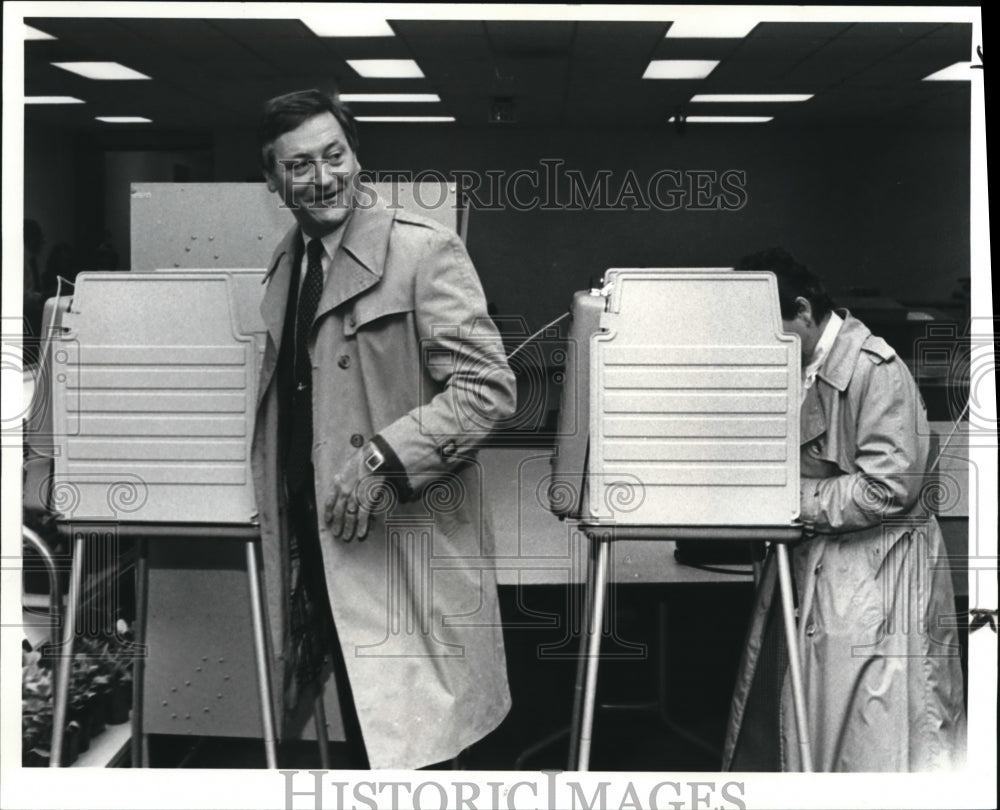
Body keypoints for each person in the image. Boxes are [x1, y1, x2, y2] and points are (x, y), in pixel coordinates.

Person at [250, 89, 516, 769]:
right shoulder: (286, 266)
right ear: (274, 179)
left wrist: (382, 459)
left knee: (422, 745)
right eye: (300, 166)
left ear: (356, 154)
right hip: (325, 542)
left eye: (334, 155)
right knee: (364, 737)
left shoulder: (424, 251)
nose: (323, 178)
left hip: (406, 545)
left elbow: (488, 390)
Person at [722, 248, 966, 772]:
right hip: (825, 559)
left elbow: (888, 486)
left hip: (878, 571)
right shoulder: (805, 361)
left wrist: (786, 501)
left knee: (874, 738)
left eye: (771, 330)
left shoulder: (875, 369)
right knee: (806, 722)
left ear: (804, 313)